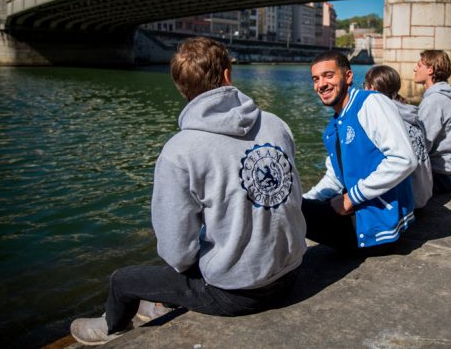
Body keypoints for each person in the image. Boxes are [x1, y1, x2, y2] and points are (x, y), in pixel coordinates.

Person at [70, 37, 307, 345]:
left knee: (123, 280)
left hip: (240, 294)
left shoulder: (179, 152)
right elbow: (292, 196)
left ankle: (112, 327)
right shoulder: (276, 124)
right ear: (226, 76)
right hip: (291, 271)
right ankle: (160, 304)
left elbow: (177, 254)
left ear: (181, 88)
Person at [302, 51, 416, 253]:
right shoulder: (333, 127)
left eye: (329, 75)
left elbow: (404, 159)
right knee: (291, 205)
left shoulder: (370, 102)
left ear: (348, 76)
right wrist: (306, 199)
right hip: (362, 217)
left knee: (291, 211)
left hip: (377, 227)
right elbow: (335, 178)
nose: (321, 84)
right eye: (316, 79)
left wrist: (350, 198)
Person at [363, 65, 433, 210]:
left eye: (364, 86)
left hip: (409, 202)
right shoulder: (411, 113)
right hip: (424, 193)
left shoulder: (384, 118)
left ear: (372, 89)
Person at [413, 50, 451, 195]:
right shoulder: (447, 96)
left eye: (419, 65)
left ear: (430, 69)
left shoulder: (434, 101)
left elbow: (421, 144)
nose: (415, 69)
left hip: (440, 176)